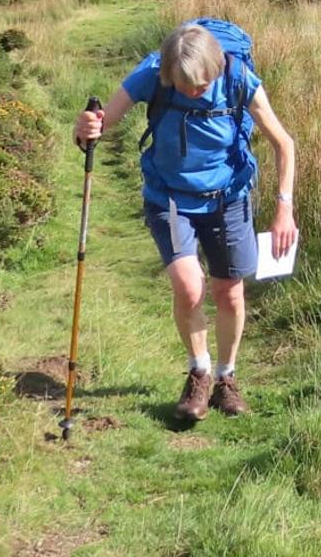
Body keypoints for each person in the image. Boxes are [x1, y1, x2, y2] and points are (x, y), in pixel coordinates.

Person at [74, 21, 298, 423]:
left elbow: (284, 143)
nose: (193, 92)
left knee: (228, 292)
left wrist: (285, 208)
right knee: (188, 285)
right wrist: (88, 128)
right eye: (183, 86)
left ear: (217, 67)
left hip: (227, 196)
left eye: (200, 85)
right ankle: (199, 373)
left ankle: (226, 379)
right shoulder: (151, 75)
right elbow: (103, 127)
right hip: (170, 197)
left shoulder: (238, 78)